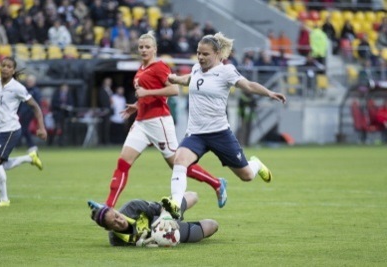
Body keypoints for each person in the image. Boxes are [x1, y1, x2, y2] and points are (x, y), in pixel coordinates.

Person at [165, 32, 286, 218]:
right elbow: (190, 79)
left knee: (246, 175)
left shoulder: (226, 71)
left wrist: (268, 93)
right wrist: (176, 79)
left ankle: (256, 164)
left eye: (205, 54)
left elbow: (249, 86)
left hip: (220, 133)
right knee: (179, 161)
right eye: (198, 53)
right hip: (196, 134)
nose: (200, 57)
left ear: (217, 54)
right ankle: (175, 202)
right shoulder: (197, 68)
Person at [102, 31, 227, 210]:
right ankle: (108, 207)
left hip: (159, 121)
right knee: (123, 163)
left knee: (178, 164)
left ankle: (216, 183)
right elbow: (148, 93)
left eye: (147, 47)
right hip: (141, 122)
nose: (143, 50)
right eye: (141, 47)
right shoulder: (141, 70)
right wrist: (138, 104)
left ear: (155, 49)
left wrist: (147, 94)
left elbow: (174, 90)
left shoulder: (160, 67)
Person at [0, 57, 47, 207]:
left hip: (11, 129)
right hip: (0, 130)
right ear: (0, 67)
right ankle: (30, 158)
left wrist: (41, 127)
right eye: (3, 65)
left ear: (13, 71)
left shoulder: (17, 88)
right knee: (2, 165)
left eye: (9, 66)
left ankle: (4, 199)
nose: (5, 68)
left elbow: (35, 107)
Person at [88, 191, 218, 247]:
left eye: (116, 216)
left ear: (115, 210)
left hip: (164, 217)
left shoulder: (132, 206)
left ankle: (181, 199)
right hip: (166, 236)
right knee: (212, 226)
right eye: (114, 223)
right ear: (108, 229)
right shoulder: (116, 241)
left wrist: (165, 216)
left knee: (192, 196)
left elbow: (161, 207)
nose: (119, 221)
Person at [18, 74, 42, 153]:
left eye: (30, 81)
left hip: (29, 113)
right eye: (28, 81)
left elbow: (37, 103)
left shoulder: (35, 91)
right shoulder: (24, 90)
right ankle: (29, 145)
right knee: (22, 129)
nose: (29, 83)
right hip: (23, 112)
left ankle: (31, 145)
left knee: (24, 129)